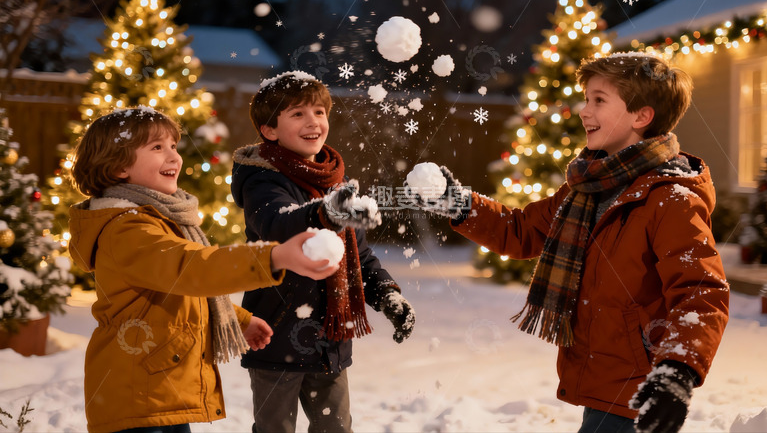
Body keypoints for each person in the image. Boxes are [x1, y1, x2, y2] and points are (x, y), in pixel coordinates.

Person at [405, 53, 729, 433]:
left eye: (598, 100)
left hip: (639, 384)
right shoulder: (587, 188)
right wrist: (457, 203)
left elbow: (700, 291)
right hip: (601, 377)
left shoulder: (671, 198)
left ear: (641, 116)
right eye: (586, 98)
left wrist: (678, 369)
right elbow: (522, 231)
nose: (584, 110)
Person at [68, 107, 338, 433]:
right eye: (157, 147)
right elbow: (191, 268)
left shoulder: (159, 220)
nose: (174, 156)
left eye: (173, 146)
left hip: (159, 391)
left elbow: (179, 294)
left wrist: (237, 319)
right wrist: (273, 256)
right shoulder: (127, 230)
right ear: (118, 166)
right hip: (136, 396)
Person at [231, 71, 416, 433]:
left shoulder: (333, 181)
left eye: (319, 112)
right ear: (270, 130)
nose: (313, 121)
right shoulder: (262, 180)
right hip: (277, 333)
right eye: (297, 114)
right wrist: (327, 212)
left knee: (336, 428)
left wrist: (387, 294)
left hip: (329, 338)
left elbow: (358, 255)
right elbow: (278, 223)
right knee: (274, 429)